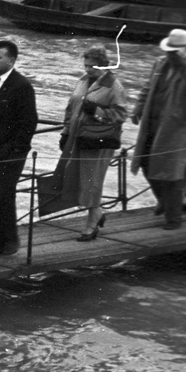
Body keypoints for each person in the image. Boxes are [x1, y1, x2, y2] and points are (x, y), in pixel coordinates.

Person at [132, 28, 186, 229]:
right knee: (146, 163)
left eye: (175, 52)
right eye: (170, 51)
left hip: (177, 128)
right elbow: (147, 87)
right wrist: (138, 108)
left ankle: (174, 219)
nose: (171, 55)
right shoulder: (159, 63)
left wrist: (185, 66)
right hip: (153, 124)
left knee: (172, 174)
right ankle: (165, 202)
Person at [57, 46, 131, 241]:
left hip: (98, 140)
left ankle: (91, 225)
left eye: (92, 66)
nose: (88, 69)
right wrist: (65, 132)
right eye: (86, 65)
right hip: (77, 137)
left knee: (92, 181)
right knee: (78, 179)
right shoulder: (83, 80)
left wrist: (96, 111)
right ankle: (96, 213)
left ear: (104, 65)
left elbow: (121, 115)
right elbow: (70, 107)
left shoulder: (114, 86)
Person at [0, 39, 38, 256]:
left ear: (11, 60)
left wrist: (16, 150)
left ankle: (10, 240)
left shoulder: (22, 86)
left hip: (12, 153)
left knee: (4, 193)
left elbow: (29, 121)